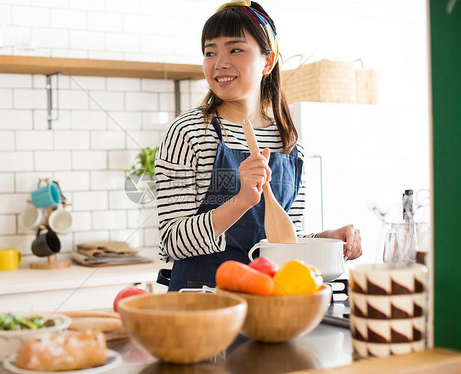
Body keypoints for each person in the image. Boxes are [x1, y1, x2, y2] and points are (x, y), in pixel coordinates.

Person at [155, 0, 362, 292]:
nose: (219, 63)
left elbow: (287, 239)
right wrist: (240, 201)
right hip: (201, 306)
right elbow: (171, 242)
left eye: (235, 49)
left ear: (268, 60)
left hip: (270, 304)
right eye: (210, 52)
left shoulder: (289, 141)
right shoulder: (188, 133)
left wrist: (328, 238)